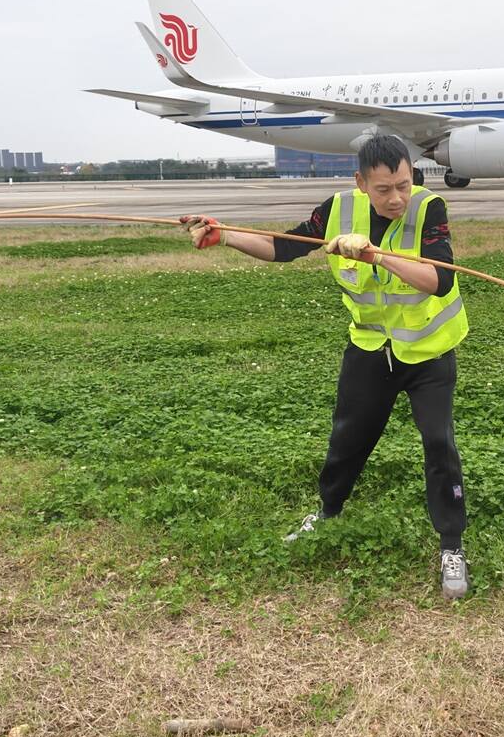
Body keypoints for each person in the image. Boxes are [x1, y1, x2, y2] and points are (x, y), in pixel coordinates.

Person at [181, 135, 473, 598]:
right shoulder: (337, 209)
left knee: (439, 443)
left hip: (429, 351)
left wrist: (375, 255)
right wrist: (225, 235)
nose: (396, 197)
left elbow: (439, 280)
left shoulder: (428, 207)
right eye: (383, 189)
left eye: (403, 183)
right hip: (370, 348)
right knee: (347, 438)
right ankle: (328, 511)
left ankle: (452, 546)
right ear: (360, 183)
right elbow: (284, 246)